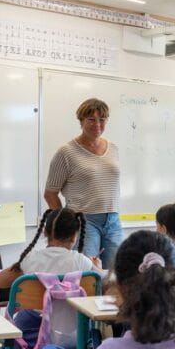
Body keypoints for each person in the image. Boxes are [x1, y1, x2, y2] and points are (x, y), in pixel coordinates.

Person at [0, 207, 99, 349]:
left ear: (45, 231)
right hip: (74, 337)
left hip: (31, 336)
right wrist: (98, 266)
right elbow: (103, 281)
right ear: (74, 236)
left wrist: (20, 265)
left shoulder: (31, 259)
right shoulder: (83, 262)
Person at [44, 98, 122, 269]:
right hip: (85, 221)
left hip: (113, 220)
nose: (97, 125)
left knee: (116, 274)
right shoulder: (66, 152)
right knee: (88, 273)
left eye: (102, 120)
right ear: (81, 121)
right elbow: (50, 193)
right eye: (91, 120)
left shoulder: (113, 148)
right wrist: (66, 222)